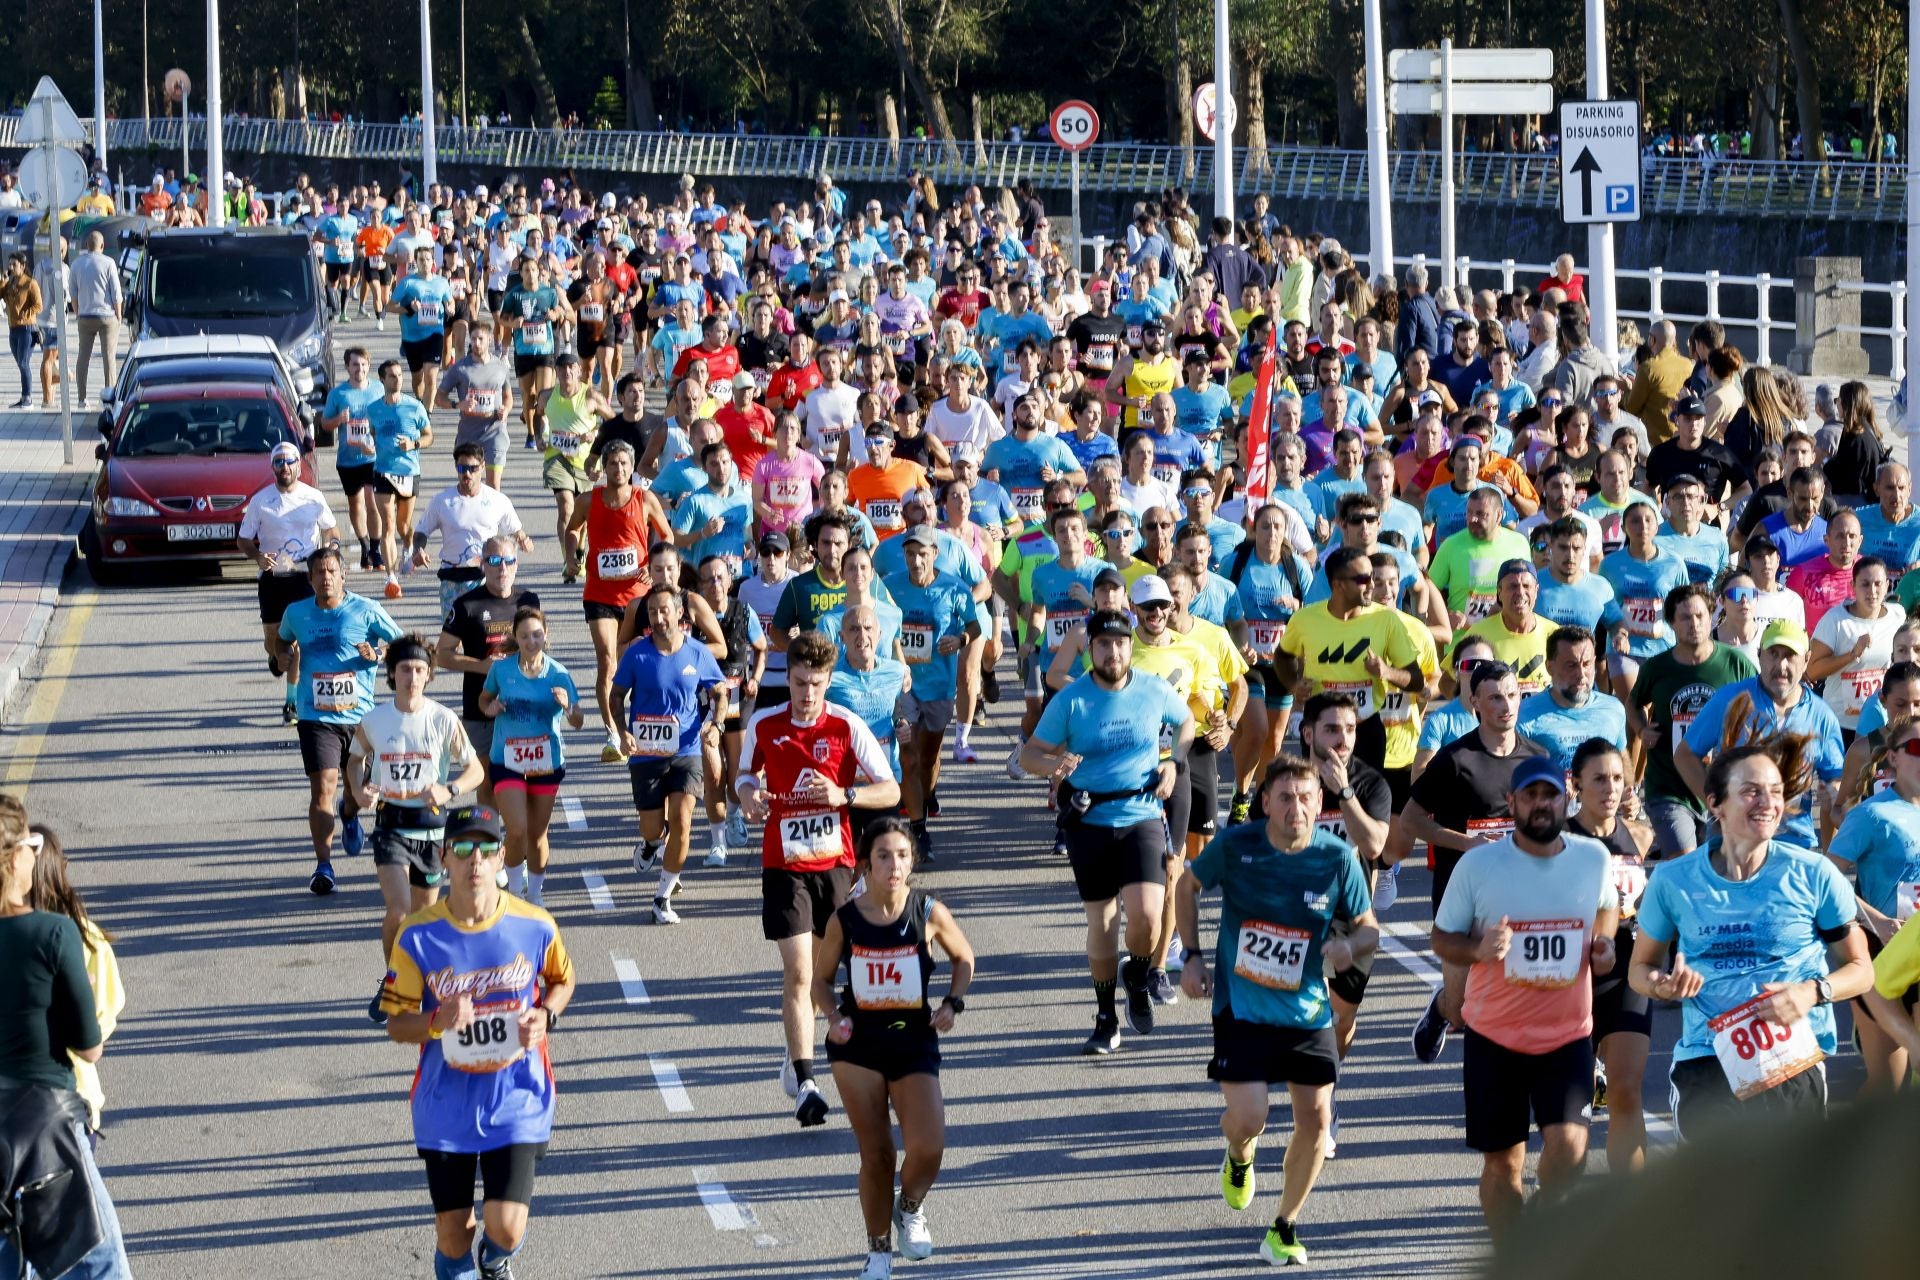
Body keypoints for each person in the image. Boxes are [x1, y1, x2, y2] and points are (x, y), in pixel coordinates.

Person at [1175, 752, 1377, 1267]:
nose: (1297, 807)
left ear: (1319, 803)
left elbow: (1368, 925)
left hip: (1307, 1012)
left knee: (1317, 1119)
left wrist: (1350, 948)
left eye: (1306, 798)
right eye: (1285, 797)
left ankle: (1284, 1225)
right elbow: (1187, 885)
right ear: (1265, 802)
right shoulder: (1238, 846)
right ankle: (1239, 1155)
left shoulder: (1336, 857)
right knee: (1250, 1118)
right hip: (1241, 1008)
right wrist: (1193, 956)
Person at [1630, 739, 1872, 1137]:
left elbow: (1861, 970)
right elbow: (1640, 969)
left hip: (1792, 1061)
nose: (1768, 803)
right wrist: (1662, 986)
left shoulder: (1814, 874)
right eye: (1751, 791)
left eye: (1776, 792)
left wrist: (1811, 993)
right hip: (1707, 1062)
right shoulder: (1674, 880)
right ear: (1716, 804)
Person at [380, 804, 576, 1280]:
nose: (475, 860)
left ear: (500, 856)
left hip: (517, 1094)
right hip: (445, 1102)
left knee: (505, 1227)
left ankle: (495, 1258)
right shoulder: (417, 936)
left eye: (486, 849)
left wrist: (545, 1015)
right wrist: (435, 1019)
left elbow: (563, 981)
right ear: (445, 857)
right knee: (452, 1232)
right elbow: (394, 1023)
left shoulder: (534, 924)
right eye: (463, 848)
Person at [1430, 756, 1618, 1240]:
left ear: (1566, 798)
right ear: (1511, 802)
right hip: (1496, 1038)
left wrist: (1604, 944)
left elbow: (1607, 906)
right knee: (1502, 1165)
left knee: (1571, 1152)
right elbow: (1442, 938)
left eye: (1550, 794)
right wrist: (1476, 949)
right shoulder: (1479, 865)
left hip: (1568, 1036)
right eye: (1530, 795)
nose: (1541, 804)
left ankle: (1540, 1221)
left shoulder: (1592, 857)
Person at [738, 631, 902, 1127]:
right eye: (799, 683)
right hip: (784, 865)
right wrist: (748, 795)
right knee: (800, 972)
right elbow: (745, 776)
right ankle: (808, 1082)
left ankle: (800, 1056)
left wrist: (843, 796)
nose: (807, 693)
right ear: (786, 679)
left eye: (816, 684)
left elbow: (890, 789)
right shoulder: (765, 724)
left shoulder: (846, 725)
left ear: (829, 682)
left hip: (835, 866)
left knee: (833, 976)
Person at [1021, 610, 1195, 1052]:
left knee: (1149, 916)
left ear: (1129, 646)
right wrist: (1054, 765)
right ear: (1090, 650)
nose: (1112, 652)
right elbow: (1030, 755)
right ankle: (1105, 1018)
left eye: (1119, 644)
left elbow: (1187, 722)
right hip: (1089, 819)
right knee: (1102, 921)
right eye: (1103, 644)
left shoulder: (1153, 690)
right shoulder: (1071, 700)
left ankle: (1136, 975)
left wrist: (1173, 761)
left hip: (1141, 813)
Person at [812, 818, 975, 1280]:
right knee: (878, 1155)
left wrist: (952, 1003)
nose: (894, 865)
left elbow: (965, 958)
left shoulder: (927, 910)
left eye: (902, 855)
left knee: (929, 1145)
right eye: (883, 855)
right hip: (857, 1043)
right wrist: (834, 1017)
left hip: (912, 1040)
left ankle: (911, 1206)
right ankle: (879, 1253)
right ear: (865, 864)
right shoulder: (845, 919)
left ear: (912, 862)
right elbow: (821, 982)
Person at [0, 800, 130, 1280]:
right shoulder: (54, 933)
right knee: (98, 1264)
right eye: (31, 846)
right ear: (15, 858)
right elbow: (88, 1046)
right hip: (44, 1129)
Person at [1394, 661, 1550, 1062]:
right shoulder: (1455, 759)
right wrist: (1467, 845)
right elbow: (1411, 820)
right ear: (1475, 702)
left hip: (1520, 896)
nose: (1506, 705)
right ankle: (1443, 1006)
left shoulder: (1536, 758)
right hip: (1460, 892)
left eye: (1513, 695)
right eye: (1495, 697)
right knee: (1462, 1009)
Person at [348, 637, 484, 1023]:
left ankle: (421, 982)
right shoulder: (375, 719)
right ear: (392, 673)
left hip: (432, 831)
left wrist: (449, 788)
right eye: (405, 669)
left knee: (424, 921)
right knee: (399, 911)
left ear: (429, 675)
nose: (412, 676)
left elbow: (475, 770)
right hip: (391, 825)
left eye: (420, 669)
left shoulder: (442, 719)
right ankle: (393, 981)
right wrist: (360, 790)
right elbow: (355, 760)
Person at [276, 547, 406, 894]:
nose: (326, 577)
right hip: (315, 716)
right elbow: (282, 641)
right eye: (319, 572)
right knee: (323, 787)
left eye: (332, 571)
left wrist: (377, 653)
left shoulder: (366, 610)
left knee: (356, 791)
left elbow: (404, 646)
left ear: (343, 575)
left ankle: (348, 815)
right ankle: (323, 865)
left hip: (361, 718)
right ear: (310, 578)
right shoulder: (297, 613)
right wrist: (282, 655)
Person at [611, 585, 729, 924]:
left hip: (687, 749)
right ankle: (650, 844)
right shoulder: (637, 654)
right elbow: (617, 695)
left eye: (665, 610)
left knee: (682, 819)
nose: (659, 618)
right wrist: (623, 733)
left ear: (679, 613)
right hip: (646, 752)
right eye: (652, 612)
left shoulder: (697, 652)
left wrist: (716, 725)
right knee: (652, 828)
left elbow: (719, 691)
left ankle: (663, 896)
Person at [1677, 620, 1845, 853]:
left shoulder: (1821, 715)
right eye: (1773, 654)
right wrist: (1715, 803)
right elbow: (1685, 755)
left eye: (1790, 656)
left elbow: (1834, 778)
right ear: (1759, 656)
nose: (1781, 665)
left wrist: (1834, 794)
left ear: (1806, 659)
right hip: (1734, 841)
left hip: (1794, 844)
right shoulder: (1732, 700)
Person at [1563, 739, 1652, 1174]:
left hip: (1627, 971)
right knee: (1570, 1117)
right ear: (1576, 784)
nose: (1610, 788)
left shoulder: (1638, 835)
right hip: (1569, 978)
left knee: (1626, 1092)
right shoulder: (1560, 843)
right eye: (1598, 779)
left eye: (1618, 778)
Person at [1627, 583, 1756, 859]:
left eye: (1700, 615)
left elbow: (1759, 708)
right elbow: (1634, 704)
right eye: (1685, 617)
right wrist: (1641, 728)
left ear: (1712, 616)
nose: (1694, 624)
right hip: (1668, 787)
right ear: (1672, 623)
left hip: (1723, 787)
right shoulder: (1657, 667)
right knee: (1685, 859)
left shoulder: (1735, 663)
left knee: (1716, 866)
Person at [1829, 715, 1920, 1092]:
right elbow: (1827, 880)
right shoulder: (1871, 814)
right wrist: (1878, 920)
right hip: (1883, 955)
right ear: (1893, 759)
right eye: (1916, 748)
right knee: (1887, 1089)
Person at [568, 441, 672, 762]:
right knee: (607, 661)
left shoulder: (645, 500)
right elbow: (573, 529)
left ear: (631, 466)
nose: (619, 469)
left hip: (637, 598)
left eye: (625, 464)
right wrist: (574, 555)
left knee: (636, 663)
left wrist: (649, 568)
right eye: (613, 463)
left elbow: (666, 537)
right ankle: (612, 733)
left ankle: (639, 724)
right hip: (599, 594)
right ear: (605, 467)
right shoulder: (588, 500)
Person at [884, 527, 981, 861]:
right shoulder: (891, 586)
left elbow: (974, 625)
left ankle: (925, 795)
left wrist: (960, 641)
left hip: (939, 682)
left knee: (928, 759)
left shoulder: (953, 588)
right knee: (908, 757)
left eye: (922, 554)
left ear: (934, 554)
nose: (915, 560)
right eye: (910, 554)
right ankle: (918, 828)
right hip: (903, 683)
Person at [481, 607, 585, 905]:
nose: (531, 641)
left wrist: (569, 708)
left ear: (545, 635)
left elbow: (578, 721)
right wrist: (490, 708)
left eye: (536, 635)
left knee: (537, 836)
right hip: (507, 760)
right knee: (517, 829)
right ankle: (515, 893)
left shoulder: (559, 673)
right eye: (524, 635)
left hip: (545, 762)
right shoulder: (501, 670)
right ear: (515, 636)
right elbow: (484, 699)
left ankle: (535, 894)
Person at [239, 441, 341, 724]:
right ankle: (274, 656)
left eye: (289, 461)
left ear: (299, 464)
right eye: (278, 462)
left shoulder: (313, 497)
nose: (284, 467)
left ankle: (291, 703)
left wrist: (332, 545)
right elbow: (243, 539)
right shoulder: (261, 500)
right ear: (272, 467)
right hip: (272, 578)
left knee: (295, 643)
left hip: (303, 578)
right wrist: (258, 556)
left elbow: (331, 528)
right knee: (274, 640)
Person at [414, 443, 536, 618]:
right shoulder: (442, 501)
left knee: (485, 635)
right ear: (456, 467)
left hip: (486, 578)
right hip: (452, 580)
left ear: (483, 467)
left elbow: (516, 530)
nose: (467, 474)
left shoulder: (497, 500)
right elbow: (421, 532)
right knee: (451, 638)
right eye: (462, 468)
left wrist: (525, 540)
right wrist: (419, 549)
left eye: (473, 468)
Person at [1808, 555, 1902, 736]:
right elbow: (1812, 671)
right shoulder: (1836, 620)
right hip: (1839, 724)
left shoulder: (1897, 616)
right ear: (1853, 587)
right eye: (1865, 584)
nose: (1872, 591)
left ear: (1887, 586)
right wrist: (1852, 655)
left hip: (1880, 723)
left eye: (1878, 584)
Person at [1515, 627, 1627, 774]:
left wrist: (1629, 792)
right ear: (1550, 668)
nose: (1581, 675)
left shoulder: (1613, 709)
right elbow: (1513, 774)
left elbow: (1623, 760)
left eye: (1586, 664)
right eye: (1571, 665)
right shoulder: (1524, 714)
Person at [370, 357, 437, 600]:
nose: (397, 379)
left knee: (403, 526)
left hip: (409, 471)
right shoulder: (373, 409)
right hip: (383, 471)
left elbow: (430, 436)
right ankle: (391, 578)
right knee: (388, 525)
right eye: (392, 376)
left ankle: (408, 548)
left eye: (399, 375)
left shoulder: (414, 407)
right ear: (383, 380)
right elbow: (373, 433)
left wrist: (414, 443)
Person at [323, 348, 385, 570]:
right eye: (355, 365)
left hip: (373, 456)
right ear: (347, 367)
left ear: (369, 366)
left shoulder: (378, 389)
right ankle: (364, 545)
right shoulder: (338, 394)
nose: (360, 369)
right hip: (348, 460)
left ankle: (376, 551)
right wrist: (339, 419)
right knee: (356, 504)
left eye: (363, 365)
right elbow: (325, 424)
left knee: (371, 500)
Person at [436, 328, 517, 492]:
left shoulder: (500, 367)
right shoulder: (459, 368)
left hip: (495, 432)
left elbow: (508, 397)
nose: (476, 343)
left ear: (489, 340)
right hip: (468, 433)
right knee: (468, 484)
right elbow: (439, 398)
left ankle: (490, 518)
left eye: (480, 339)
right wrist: (458, 405)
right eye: (473, 339)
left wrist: (506, 410)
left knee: (493, 486)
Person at [70, 231, 122, 406]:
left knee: (83, 357)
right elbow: (116, 293)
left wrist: (77, 313)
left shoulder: (76, 264)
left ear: (86, 245)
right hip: (107, 315)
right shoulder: (109, 263)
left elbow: (73, 294)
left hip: (85, 315)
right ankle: (108, 398)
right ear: (102, 245)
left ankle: (82, 398)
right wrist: (119, 315)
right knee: (109, 357)